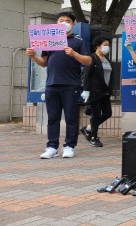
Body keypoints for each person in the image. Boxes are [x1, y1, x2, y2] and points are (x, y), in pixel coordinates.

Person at [26, 12, 91, 159]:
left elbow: (87, 61)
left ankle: (69, 146)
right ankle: (52, 147)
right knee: (53, 117)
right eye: (61, 20)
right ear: (56, 23)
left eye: (68, 21)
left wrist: (74, 54)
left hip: (71, 84)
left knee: (71, 117)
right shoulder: (49, 40)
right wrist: (33, 56)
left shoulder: (78, 41)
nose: (64, 22)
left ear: (73, 24)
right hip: (51, 84)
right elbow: (44, 63)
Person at [79, 36, 113, 147]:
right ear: (98, 46)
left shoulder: (106, 59)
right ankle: (93, 137)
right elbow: (86, 76)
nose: (107, 47)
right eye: (105, 45)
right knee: (96, 114)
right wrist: (86, 91)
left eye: (108, 45)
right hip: (94, 91)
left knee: (108, 113)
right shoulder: (92, 58)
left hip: (105, 91)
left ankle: (88, 128)